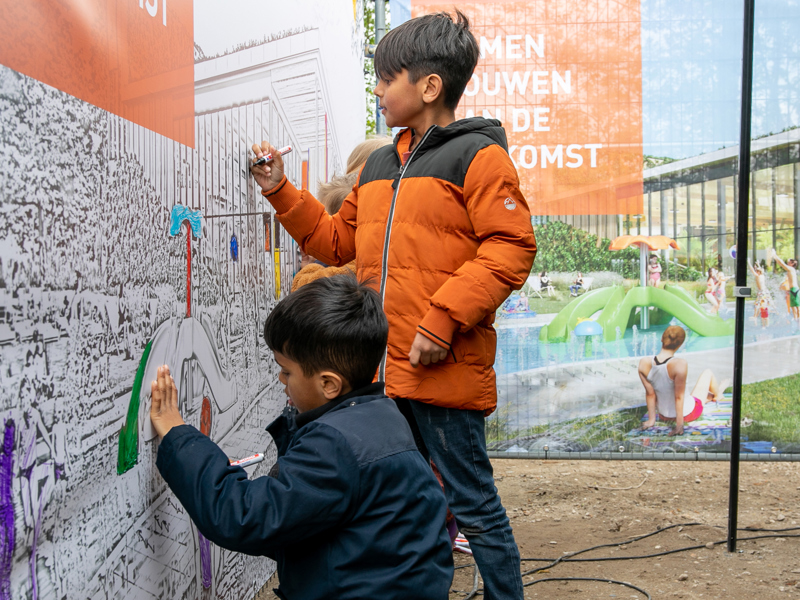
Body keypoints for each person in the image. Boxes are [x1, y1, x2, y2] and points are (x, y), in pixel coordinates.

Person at [249, 11, 535, 599]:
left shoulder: (480, 158)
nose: (377, 89)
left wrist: (442, 319)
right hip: (376, 376)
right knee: (398, 503)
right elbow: (334, 243)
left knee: (471, 504)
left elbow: (512, 248)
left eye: (386, 78)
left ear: (429, 88)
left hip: (440, 371)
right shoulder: (379, 166)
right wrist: (280, 189)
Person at [150, 276, 454, 600]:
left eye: (287, 371)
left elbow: (243, 516)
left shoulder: (335, 447)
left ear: (329, 385)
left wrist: (178, 435)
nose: (280, 378)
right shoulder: (382, 415)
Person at [638, 325, 730, 436]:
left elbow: (650, 394)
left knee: (695, 396)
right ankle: (718, 394)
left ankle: (713, 394)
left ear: (661, 339)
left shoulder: (644, 363)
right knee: (708, 373)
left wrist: (651, 420)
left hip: (663, 415)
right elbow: (679, 397)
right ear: (680, 345)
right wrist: (679, 426)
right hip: (688, 414)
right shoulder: (679, 364)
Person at [771, 248, 799, 321]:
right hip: (792, 290)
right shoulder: (790, 270)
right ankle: (796, 322)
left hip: (795, 290)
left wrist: (775, 255)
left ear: (792, 264)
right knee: (793, 307)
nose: (788, 263)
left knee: (797, 307)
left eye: (789, 262)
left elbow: (782, 264)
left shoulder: (791, 269)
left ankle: (798, 321)